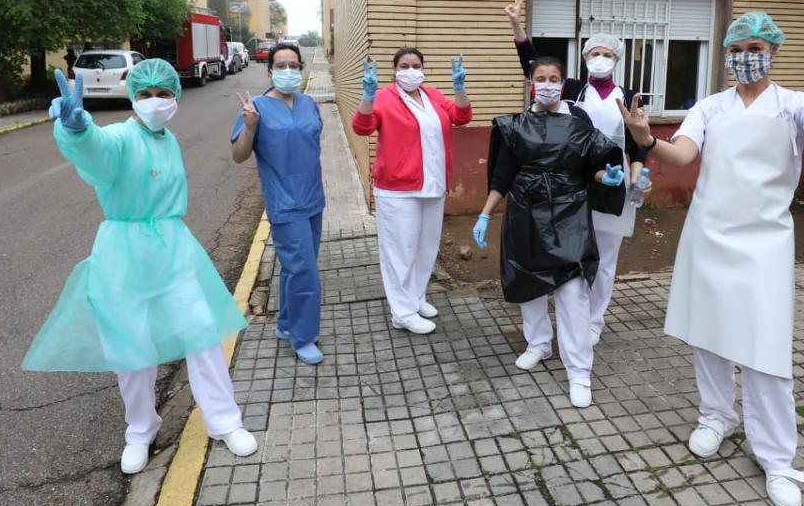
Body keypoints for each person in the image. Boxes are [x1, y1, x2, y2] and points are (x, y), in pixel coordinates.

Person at [621, 11, 804, 506]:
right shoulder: (711, 106)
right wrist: (644, 137)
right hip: (708, 236)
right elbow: (681, 155)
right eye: (736, 48)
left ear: (773, 52)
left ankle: (777, 457)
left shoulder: (794, 105)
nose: (745, 57)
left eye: (754, 47)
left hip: (764, 243)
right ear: (725, 54)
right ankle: (716, 416)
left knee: (766, 351)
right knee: (708, 332)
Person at [24, 60, 257, 475]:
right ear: (132, 97)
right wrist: (77, 130)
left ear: (176, 98)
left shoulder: (168, 140)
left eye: (164, 94)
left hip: (172, 253)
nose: (155, 102)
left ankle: (225, 421)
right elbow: (97, 154)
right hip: (123, 257)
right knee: (129, 349)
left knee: (201, 334)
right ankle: (140, 428)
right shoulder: (120, 138)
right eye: (145, 94)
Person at [473, 56, 625, 408]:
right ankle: (538, 343)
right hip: (525, 214)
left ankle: (579, 371)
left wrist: (609, 177)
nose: (546, 83)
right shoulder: (517, 125)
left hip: (569, 215)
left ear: (563, 82)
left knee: (572, 294)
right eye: (540, 77)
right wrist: (484, 215)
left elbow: (596, 165)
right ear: (531, 83)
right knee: (529, 283)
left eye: (553, 77)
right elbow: (502, 175)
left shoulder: (579, 120)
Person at [504, 0, 650, 346]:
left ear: (617, 59)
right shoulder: (571, 89)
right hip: (576, 182)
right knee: (576, 251)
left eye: (608, 54)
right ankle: (572, 314)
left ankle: (594, 318)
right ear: (585, 58)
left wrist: (638, 176)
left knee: (607, 256)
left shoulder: (628, 95)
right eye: (595, 54)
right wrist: (517, 25)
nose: (601, 59)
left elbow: (637, 142)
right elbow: (533, 67)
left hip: (615, 182)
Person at [352, 48, 474, 334]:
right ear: (394, 70)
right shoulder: (384, 97)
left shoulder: (432, 95)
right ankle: (402, 313)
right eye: (404, 66)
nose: (410, 70)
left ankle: (416, 297)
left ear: (423, 68)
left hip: (432, 184)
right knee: (400, 251)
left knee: (425, 247)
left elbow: (461, 117)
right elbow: (362, 128)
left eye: (416, 65)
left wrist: (460, 89)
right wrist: (367, 97)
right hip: (397, 189)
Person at [230, 43, 326, 365]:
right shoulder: (255, 108)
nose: (288, 71)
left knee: (296, 268)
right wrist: (250, 127)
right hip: (285, 202)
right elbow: (239, 155)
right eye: (281, 65)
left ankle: (286, 324)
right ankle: (303, 337)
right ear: (270, 71)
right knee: (305, 273)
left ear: (301, 69)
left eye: (294, 65)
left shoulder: (309, 103)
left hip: (313, 198)